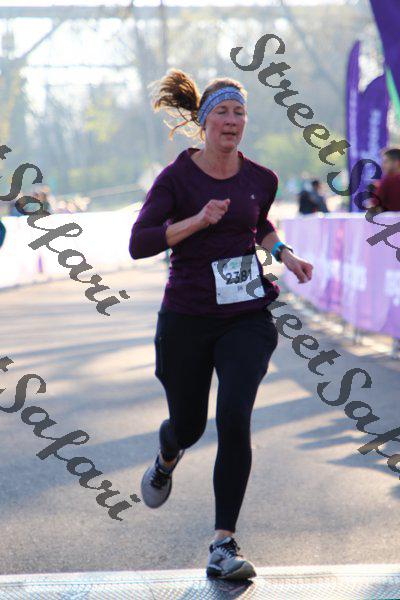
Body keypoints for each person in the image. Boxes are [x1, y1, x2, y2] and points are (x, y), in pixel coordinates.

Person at [129, 69, 313, 581]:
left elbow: (258, 223)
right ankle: (167, 455)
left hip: (245, 316)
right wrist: (197, 220)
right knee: (188, 426)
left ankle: (222, 543)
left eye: (240, 112)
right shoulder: (176, 179)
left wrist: (284, 252)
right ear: (204, 122)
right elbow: (140, 243)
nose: (232, 121)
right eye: (223, 112)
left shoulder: (262, 179)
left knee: (234, 417)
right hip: (186, 317)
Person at [373, 147, 400, 212]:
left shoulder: (388, 180)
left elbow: (374, 206)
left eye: (385, 162)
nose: (382, 165)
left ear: (396, 163)